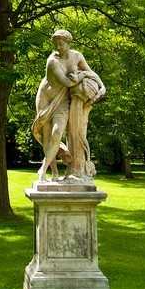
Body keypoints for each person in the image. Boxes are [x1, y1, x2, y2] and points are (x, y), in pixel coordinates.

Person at [32, 29, 105, 183]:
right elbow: (67, 82)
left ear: (68, 42)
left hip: (63, 99)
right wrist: (81, 75)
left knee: (57, 132)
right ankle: (52, 172)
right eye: (56, 44)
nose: (59, 47)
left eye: (61, 43)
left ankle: (42, 169)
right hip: (46, 98)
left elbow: (91, 72)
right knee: (47, 135)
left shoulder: (77, 56)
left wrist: (102, 86)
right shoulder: (52, 61)